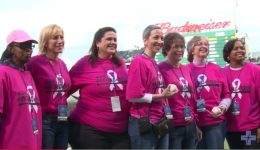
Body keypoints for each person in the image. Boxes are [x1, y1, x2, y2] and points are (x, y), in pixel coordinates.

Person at [67, 27, 131, 149]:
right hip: (89, 128)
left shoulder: (121, 63)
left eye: (115, 39)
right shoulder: (85, 63)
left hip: (121, 129)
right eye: (109, 39)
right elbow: (65, 90)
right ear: (97, 43)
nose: (113, 42)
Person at [126, 25, 178, 149]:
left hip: (159, 120)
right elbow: (133, 97)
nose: (160, 41)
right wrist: (162, 96)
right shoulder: (139, 61)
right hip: (143, 121)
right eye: (156, 37)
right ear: (145, 40)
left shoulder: (153, 62)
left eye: (162, 38)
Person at [25, 24, 71, 149]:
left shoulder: (62, 64)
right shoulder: (34, 62)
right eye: (55, 38)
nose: (60, 41)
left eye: (62, 37)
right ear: (45, 42)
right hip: (44, 120)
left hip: (62, 119)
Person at [158, 32, 202, 149]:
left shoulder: (186, 69)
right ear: (166, 49)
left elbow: (192, 99)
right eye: (176, 46)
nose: (180, 50)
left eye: (182, 46)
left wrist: (195, 124)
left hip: (190, 123)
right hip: (173, 125)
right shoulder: (160, 68)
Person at [186, 35, 231, 149]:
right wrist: (194, 124)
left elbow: (226, 94)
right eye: (199, 44)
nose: (204, 46)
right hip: (194, 123)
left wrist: (222, 107)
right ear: (191, 49)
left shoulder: (216, 69)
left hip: (215, 122)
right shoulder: (185, 70)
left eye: (206, 44)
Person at [0, 30, 42, 149]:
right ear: (10, 49)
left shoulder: (28, 73)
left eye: (30, 46)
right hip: (11, 144)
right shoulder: (2, 73)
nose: (28, 49)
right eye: (23, 45)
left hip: (33, 144)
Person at [222, 39, 260, 149]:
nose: (240, 50)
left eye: (242, 48)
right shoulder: (222, 72)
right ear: (228, 54)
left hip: (250, 128)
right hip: (230, 129)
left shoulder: (255, 70)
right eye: (236, 48)